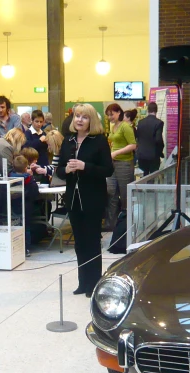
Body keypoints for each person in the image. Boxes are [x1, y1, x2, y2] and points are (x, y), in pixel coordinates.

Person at [55, 104, 114, 297]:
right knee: (79, 242)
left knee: (92, 242)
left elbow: (108, 170)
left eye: (84, 117)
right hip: (73, 199)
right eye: (77, 116)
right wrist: (67, 170)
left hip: (93, 198)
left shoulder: (99, 141)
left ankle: (94, 284)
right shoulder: (68, 141)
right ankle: (83, 283)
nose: (79, 120)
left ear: (91, 120)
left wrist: (84, 166)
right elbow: (59, 169)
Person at [104, 103, 137, 231]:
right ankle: (111, 224)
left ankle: (126, 225)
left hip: (124, 164)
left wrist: (116, 153)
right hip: (113, 163)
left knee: (124, 195)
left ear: (119, 112)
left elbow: (133, 145)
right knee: (111, 192)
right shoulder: (114, 127)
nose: (109, 117)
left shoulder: (125, 127)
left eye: (111, 114)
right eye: (108, 115)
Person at [9, 155, 40, 257]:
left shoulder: (9, 177)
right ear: (26, 167)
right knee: (26, 227)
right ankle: (25, 248)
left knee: (14, 225)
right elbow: (35, 192)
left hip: (13, 205)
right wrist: (32, 178)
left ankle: (14, 247)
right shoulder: (28, 179)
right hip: (26, 206)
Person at [135, 102, 165, 176]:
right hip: (153, 155)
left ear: (147, 110)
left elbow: (137, 136)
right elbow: (158, 139)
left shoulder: (140, 122)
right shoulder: (159, 123)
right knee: (152, 177)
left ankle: (143, 188)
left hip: (141, 155)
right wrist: (160, 151)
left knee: (143, 177)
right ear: (156, 110)